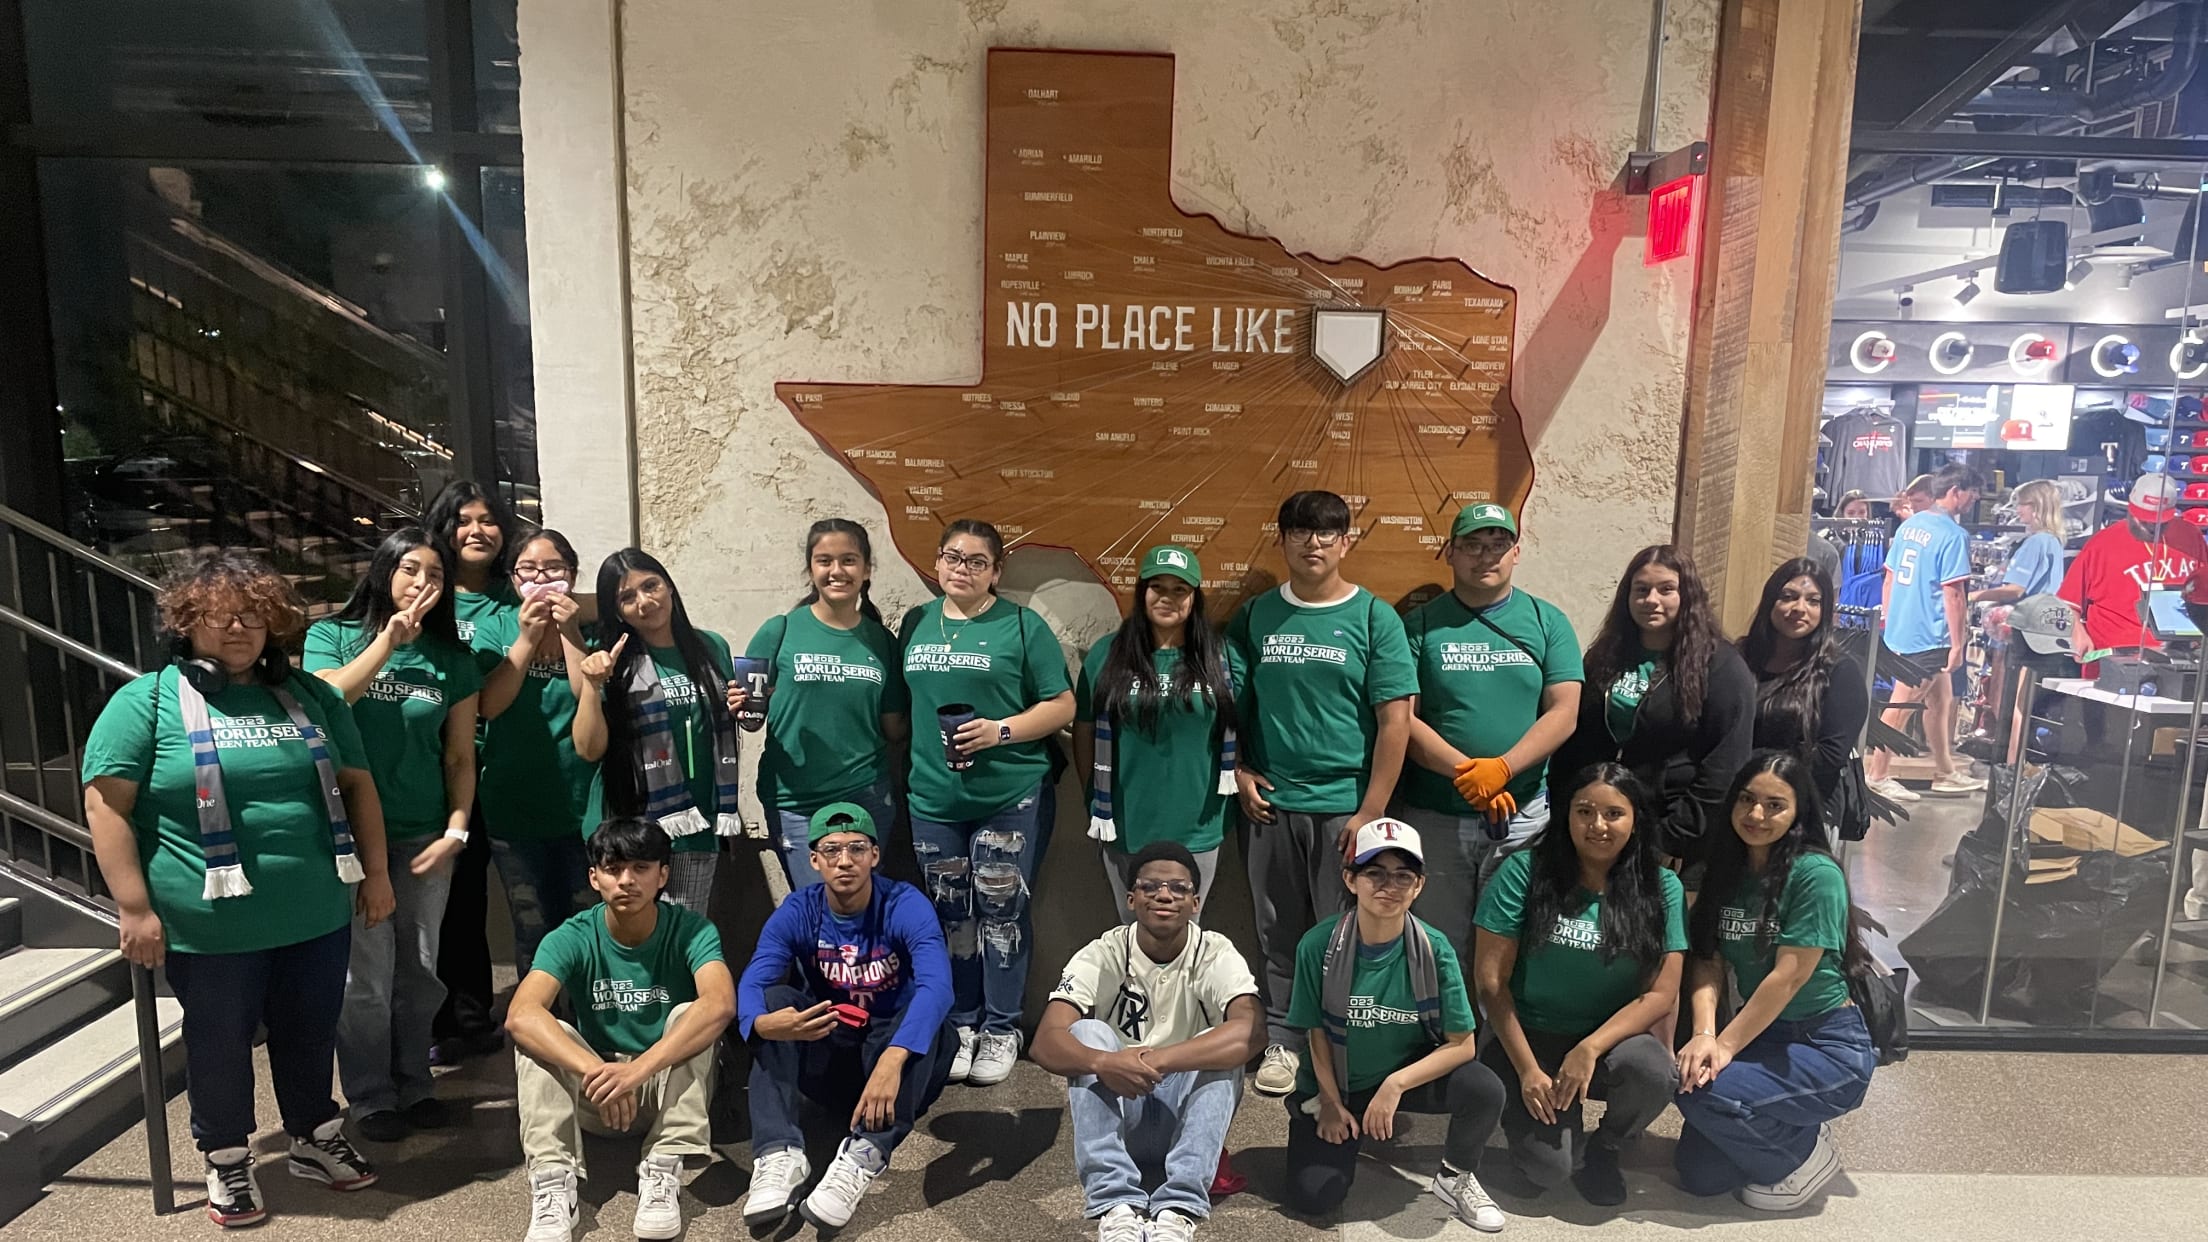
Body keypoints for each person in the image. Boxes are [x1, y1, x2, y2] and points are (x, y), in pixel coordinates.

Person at [83, 551, 394, 1228]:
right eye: (220, 616)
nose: (238, 628)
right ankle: (227, 1156)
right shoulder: (149, 701)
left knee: (310, 1031)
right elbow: (106, 805)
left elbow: (358, 785)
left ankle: (313, 1134)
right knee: (219, 1041)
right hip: (210, 923)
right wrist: (133, 906)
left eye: (253, 616)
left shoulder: (308, 695)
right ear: (185, 624)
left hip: (314, 910)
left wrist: (376, 874)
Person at [1228, 490, 1417, 1096]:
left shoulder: (1373, 617)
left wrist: (1371, 811)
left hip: (1345, 810)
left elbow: (1396, 721)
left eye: (1327, 532)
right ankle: (1283, 1041)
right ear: (1280, 538)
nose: (1313, 542)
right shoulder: (1256, 615)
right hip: (1272, 806)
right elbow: (1231, 707)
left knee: (1344, 935)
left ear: (1346, 541)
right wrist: (1240, 770)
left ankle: (1341, 1046)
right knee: (1277, 930)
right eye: (1301, 531)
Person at [304, 528, 482, 1143]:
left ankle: (416, 1082)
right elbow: (327, 700)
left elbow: (460, 757)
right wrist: (387, 641)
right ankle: (371, 1096)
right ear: (383, 573)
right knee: (365, 978)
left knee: (422, 970)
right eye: (411, 570)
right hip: (348, 835)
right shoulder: (331, 635)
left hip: (425, 833)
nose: (422, 585)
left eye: (435, 576)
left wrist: (458, 829)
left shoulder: (453, 661)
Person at [898, 519, 1077, 1087]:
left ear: (997, 572)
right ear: (937, 562)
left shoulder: (1022, 627)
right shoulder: (915, 623)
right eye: (953, 557)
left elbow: (1063, 704)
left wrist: (1000, 730)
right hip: (933, 796)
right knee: (951, 915)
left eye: (977, 562)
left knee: (1001, 911)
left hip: (1009, 795)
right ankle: (962, 1024)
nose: (962, 569)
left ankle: (1003, 1027)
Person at [508, 818, 733, 1242]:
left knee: (693, 1014)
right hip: (599, 1092)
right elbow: (520, 1013)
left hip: (664, 1088)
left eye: (641, 868)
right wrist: (597, 1070)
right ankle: (554, 1183)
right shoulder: (571, 936)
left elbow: (720, 1004)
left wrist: (640, 1070)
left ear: (663, 875)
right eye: (613, 869)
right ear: (594, 878)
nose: (627, 880)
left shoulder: (691, 930)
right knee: (538, 1034)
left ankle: (664, 1167)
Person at [737, 802, 956, 1231]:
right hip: (832, 1052)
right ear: (814, 859)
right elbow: (751, 982)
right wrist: (762, 1024)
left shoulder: (904, 904)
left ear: (875, 856)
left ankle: (862, 1157)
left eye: (857, 848)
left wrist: (893, 1059)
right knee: (776, 999)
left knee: (932, 1021)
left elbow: (938, 985)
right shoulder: (799, 911)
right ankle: (780, 1153)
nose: (845, 861)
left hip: (895, 1069)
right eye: (832, 850)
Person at [1471, 762, 1683, 1206]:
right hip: (1527, 1038)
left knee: (1653, 1071)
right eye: (1584, 811)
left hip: (1609, 1040)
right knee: (1547, 1171)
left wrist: (1588, 1048)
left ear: (1635, 820)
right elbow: (1491, 984)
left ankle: (1606, 1146)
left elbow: (1661, 994)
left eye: (1613, 814)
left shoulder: (1661, 887)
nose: (1598, 825)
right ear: (1564, 814)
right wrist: (1529, 1070)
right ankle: (1530, 1110)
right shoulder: (1523, 872)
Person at [1032, 841, 1265, 1242]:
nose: (1164, 895)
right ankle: (1115, 1204)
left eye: (1178, 888)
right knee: (1088, 1035)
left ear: (1195, 902)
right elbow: (1045, 1041)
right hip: (1124, 1112)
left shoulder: (1214, 950)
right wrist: (1104, 1063)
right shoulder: (1104, 950)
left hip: (1186, 1119)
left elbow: (1252, 1031)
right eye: (1151, 886)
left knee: (1221, 1041)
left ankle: (1179, 1209)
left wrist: (1160, 1059)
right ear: (1131, 899)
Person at [1675, 751, 1877, 1210]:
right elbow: (1707, 960)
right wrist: (1704, 1034)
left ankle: (1804, 1158)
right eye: (1746, 800)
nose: (1756, 815)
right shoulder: (1727, 871)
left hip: (1826, 1043)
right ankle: (1793, 1121)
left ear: (1798, 813)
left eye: (1774, 805)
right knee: (1700, 1173)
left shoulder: (1815, 874)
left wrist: (1723, 1048)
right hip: (1766, 1037)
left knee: (1699, 1097)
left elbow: (1788, 978)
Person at [1281, 818, 1505, 1231]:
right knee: (1313, 1196)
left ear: (1419, 886)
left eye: (1404, 876)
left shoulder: (1434, 949)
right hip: (1341, 1083)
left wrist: (1395, 1085)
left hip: (1403, 1076)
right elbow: (1315, 1032)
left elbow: (1463, 1044)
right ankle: (1345, 1125)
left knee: (1484, 1088)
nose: (1390, 886)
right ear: (1351, 880)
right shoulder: (1318, 945)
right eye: (1375, 873)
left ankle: (1455, 1176)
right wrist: (1330, 1102)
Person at [1398, 501, 1582, 960]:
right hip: (1437, 815)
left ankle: (1498, 1034)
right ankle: (1447, 1032)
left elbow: (1564, 712)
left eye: (1499, 545)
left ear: (1517, 553)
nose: (1487, 556)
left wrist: (1503, 768)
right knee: (1436, 943)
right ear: (1450, 554)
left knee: (1511, 940)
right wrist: (1469, 774)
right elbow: (1404, 718)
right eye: (1473, 545)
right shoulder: (1420, 624)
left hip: (1522, 816)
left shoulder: (1547, 621)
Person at [474, 529, 621, 982]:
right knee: (532, 930)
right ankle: (539, 1036)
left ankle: (586, 1026)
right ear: (514, 578)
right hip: (511, 807)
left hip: (581, 808)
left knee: (586, 925)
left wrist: (571, 631)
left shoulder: (593, 627)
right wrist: (525, 640)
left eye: (553, 569)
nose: (541, 578)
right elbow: (488, 706)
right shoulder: (496, 625)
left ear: (571, 575)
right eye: (529, 570)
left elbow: (586, 693)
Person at [1554, 545, 1755, 872]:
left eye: (1666, 589)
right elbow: (1578, 740)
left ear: (1687, 595)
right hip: (1601, 829)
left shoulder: (1722, 667)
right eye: (1641, 590)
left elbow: (1724, 766)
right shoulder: (1605, 656)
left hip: (1673, 839)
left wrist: (1672, 838)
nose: (1651, 600)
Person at [1072, 546, 1241, 916]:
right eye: (1157, 587)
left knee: (1187, 937)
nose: (1167, 598)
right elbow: (1085, 731)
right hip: (1126, 824)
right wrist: (1095, 796)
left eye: (1179, 589)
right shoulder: (1107, 654)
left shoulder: (1222, 657)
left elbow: (1242, 729)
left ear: (1194, 597)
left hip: (1199, 824)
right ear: (1142, 592)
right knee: (1132, 935)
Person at [746, 519, 909, 889]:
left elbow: (894, 727)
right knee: (817, 912)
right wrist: (741, 707)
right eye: (824, 561)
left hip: (867, 797)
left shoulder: (882, 642)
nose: (837, 571)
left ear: (867, 570)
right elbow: (751, 718)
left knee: (860, 912)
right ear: (811, 569)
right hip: (795, 801)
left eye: (849, 560)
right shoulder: (780, 630)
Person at [424, 479, 524, 1065]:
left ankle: (470, 1012)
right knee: (434, 902)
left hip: (494, 770)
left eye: (488, 520)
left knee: (466, 901)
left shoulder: (514, 600)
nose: (477, 531)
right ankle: (432, 1019)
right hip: (426, 771)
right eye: (463, 520)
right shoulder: (425, 595)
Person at [591, 548, 742, 914]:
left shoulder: (711, 646)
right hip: (636, 821)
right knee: (638, 933)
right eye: (627, 597)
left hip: (701, 817)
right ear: (616, 611)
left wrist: (740, 705)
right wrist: (594, 686)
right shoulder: (611, 660)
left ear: (670, 588)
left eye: (651, 586)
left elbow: (721, 720)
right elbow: (590, 746)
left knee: (685, 929)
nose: (644, 602)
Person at [1865, 462, 1986, 801]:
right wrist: (1958, 644)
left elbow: (1888, 576)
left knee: (1940, 700)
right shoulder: (1953, 535)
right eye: (1972, 495)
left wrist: (1889, 617)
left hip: (1903, 625)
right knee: (1904, 703)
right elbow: (1954, 594)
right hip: (1929, 633)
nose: (1972, 502)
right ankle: (1877, 774)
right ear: (1955, 492)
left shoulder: (1910, 525)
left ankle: (1945, 771)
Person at [1740, 559, 1868, 817]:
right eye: (1788, 597)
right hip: (1737, 801)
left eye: (1813, 601)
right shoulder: (1739, 658)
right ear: (1770, 602)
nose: (1800, 608)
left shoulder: (1840, 671)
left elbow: (1831, 755)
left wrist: (1753, 767)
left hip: (1805, 808)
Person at [2059, 472, 2208, 676]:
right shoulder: (2103, 543)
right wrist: (2078, 634)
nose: (2150, 526)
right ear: (2130, 507)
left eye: (2159, 522)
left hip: (2180, 658)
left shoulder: (2190, 535)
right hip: (2117, 659)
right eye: (2143, 519)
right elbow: (2068, 603)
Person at [1972, 478, 2066, 607]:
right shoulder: (2053, 540)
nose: (2017, 509)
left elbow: (2015, 591)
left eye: (2022, 504)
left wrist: (1972, 596)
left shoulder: (2035, 543)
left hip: (2025, 619)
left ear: (2037, 507)